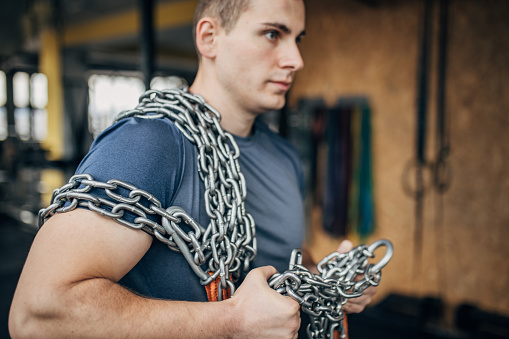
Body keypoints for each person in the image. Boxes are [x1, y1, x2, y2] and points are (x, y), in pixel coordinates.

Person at [9, 0, 376, 338]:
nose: (295, 59)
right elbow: (37, 315)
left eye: (297, 38)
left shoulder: (284, 157)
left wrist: (329, 281)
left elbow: (291, 258)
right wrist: (231, 320)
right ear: (209, 37)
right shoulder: (149, 143)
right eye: (272, 34)